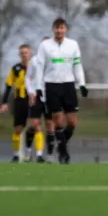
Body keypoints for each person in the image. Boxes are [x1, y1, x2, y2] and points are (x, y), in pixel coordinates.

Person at [35, 18, 87, 164]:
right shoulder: (45, 45)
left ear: (66, 29)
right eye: (57, 28)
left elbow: (77, 65)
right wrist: (39, 87)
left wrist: (82, 84)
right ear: (53, 29)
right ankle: (63, 152)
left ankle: (60, 144)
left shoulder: (73, 45)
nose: (59, 30)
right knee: (58, 120)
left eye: (62, 28)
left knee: (72, 122)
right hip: (51, 85)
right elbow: (40, 67)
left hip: (69, 85)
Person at [0, 44, 34, 162]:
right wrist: (4, 102)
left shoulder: (36, 67)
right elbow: (9, 85)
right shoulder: (15, 69)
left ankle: (29, 153)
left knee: (33, 126)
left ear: (30, 53)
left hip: (32, 100)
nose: (24, 54)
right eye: (22, 53)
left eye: (26, 52)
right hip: (19, 101)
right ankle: (16, 154)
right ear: (19, 55)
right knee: (18, 129)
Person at [25, 36, 54, 163]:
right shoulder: (35, 60)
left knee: (50, 126)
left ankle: (48, 155)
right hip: (37, 97)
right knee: (34, 124)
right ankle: (27, 150)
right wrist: (31, 93)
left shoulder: (56, 60)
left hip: (51, 98)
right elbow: (28, 78)